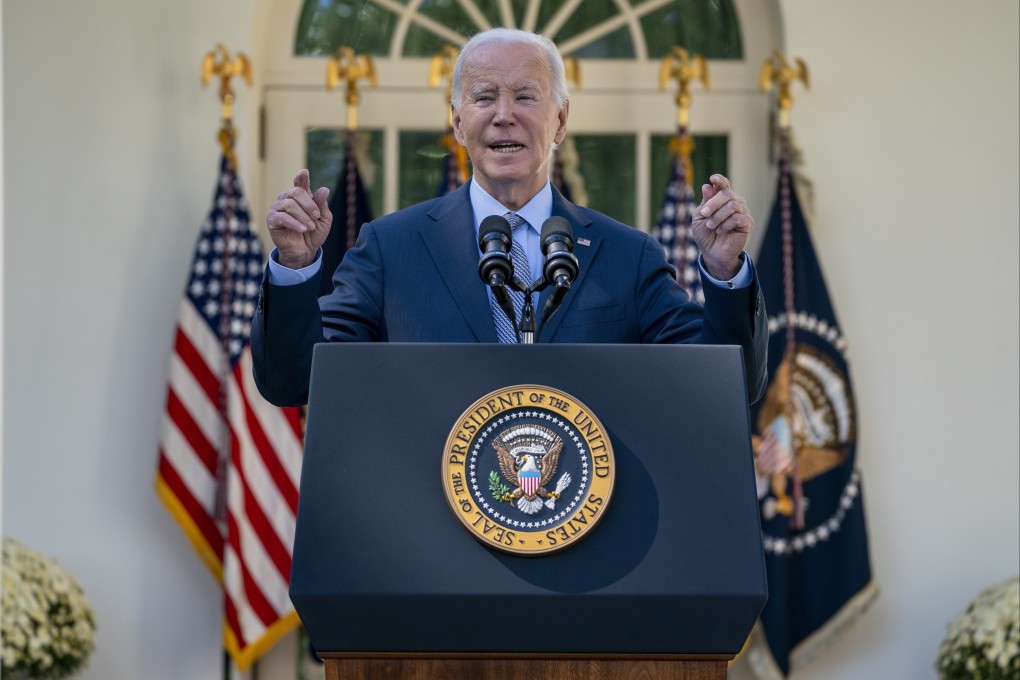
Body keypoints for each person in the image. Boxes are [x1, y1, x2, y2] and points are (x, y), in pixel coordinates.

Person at [251, 28, 767, 408]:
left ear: (560, 120)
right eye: (483, 97)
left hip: (584, 538)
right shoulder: (391, 248)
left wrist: (725, 272)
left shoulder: (627, 256)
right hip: (432, 540)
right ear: (457, 121)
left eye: (525, 96)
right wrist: (295, 267)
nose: (504, 114)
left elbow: (726, 387)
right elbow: (293, 381)